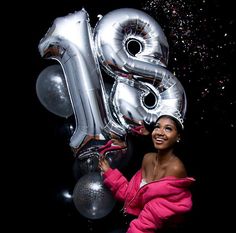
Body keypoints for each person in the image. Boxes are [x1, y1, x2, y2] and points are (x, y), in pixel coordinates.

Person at [98, 114, 195, 233]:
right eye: (157, 127)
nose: (160, 132)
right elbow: (131, 196)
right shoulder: (147, 158)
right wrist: (109, 173)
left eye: (168, 128)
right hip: (131, 221)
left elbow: (151, 218)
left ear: (178, 136)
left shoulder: (176, 169)